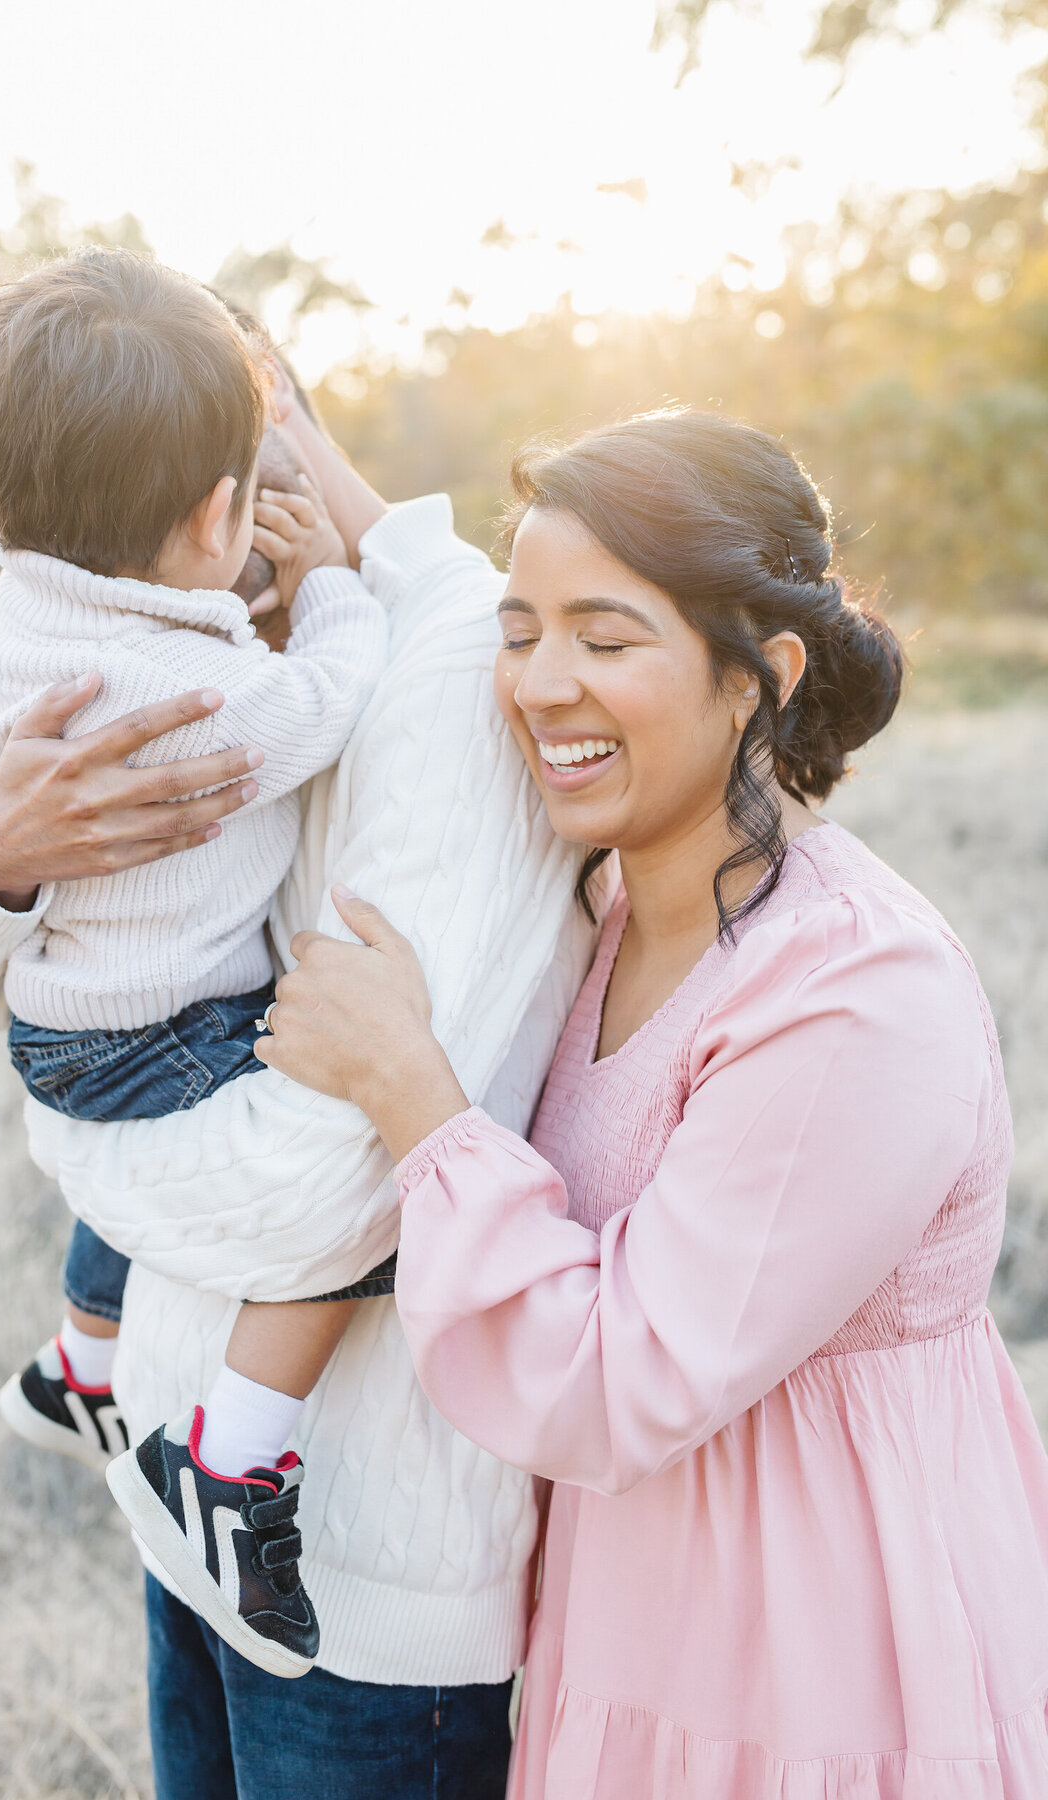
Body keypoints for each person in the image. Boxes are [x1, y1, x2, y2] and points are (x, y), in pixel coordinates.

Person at [248, 409, 1048, 1796]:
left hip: (819, 1666)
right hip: (629, 1636)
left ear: (760, 678)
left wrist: (410, 1094)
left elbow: (624, 1374)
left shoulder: (858, 993)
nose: (541, 684)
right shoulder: (611, 908)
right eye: (520, 630)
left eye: (606, 639)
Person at [0, 353, 595, 1796]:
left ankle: (119, 1384)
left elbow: (342, 1185)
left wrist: (69, 1143)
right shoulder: (175, 639)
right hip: (174, 1487)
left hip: (354, 1586)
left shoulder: (450, 662)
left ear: (266, 413)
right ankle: (110, 1383)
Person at [0, 244, 392, 1675]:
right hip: (162, 1034)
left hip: (63, 1021)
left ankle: (83, 1353)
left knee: (146, 1118)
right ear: (220, 516)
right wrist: (336, 593)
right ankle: (234, 1460)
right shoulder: (200, 698)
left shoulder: (18, 624)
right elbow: (317, 707)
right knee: (369, 1183)